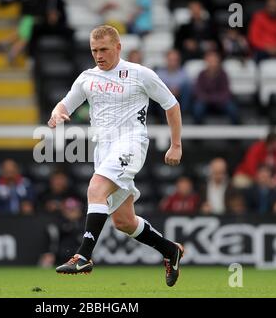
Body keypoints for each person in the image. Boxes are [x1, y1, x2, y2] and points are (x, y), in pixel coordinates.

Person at [47, 25, 184, 287]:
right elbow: (66, 102)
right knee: (124, 221)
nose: (98, 55)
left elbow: (171, 105)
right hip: (104, 150)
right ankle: (170, 250)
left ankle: (83, 256)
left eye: (104, 49)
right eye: (94, 50)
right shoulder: (87, 77)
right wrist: (57, 113)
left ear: (118, 48)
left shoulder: (140, 74)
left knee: (95, 188)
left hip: (131, 143)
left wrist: (175, 144)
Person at [192, 50, 239, 124]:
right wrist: (208, 99)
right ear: (206, 61)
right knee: (198, 108)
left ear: (218, 62)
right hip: (205, 102)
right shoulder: (201, 74)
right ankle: (197, 129)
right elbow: (198, 91)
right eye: (210, 61)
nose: (212, 63)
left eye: (214, 61)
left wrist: (215, 99)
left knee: (231, 108)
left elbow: (226, 92)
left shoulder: (223, 74)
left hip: (220, 102)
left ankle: (236, 128)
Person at [155, 49, 192, 115]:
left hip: (179, 97)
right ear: (166, 60)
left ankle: (182, 114)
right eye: (170, 60)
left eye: (175, 60)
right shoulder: (160, 72)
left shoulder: (184, 72)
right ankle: (162, 117)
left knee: (186, 88)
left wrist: (177, 89)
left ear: (179, 61)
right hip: (164, 98)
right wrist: (169, 90)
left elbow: (185, 84)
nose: (172, 63)